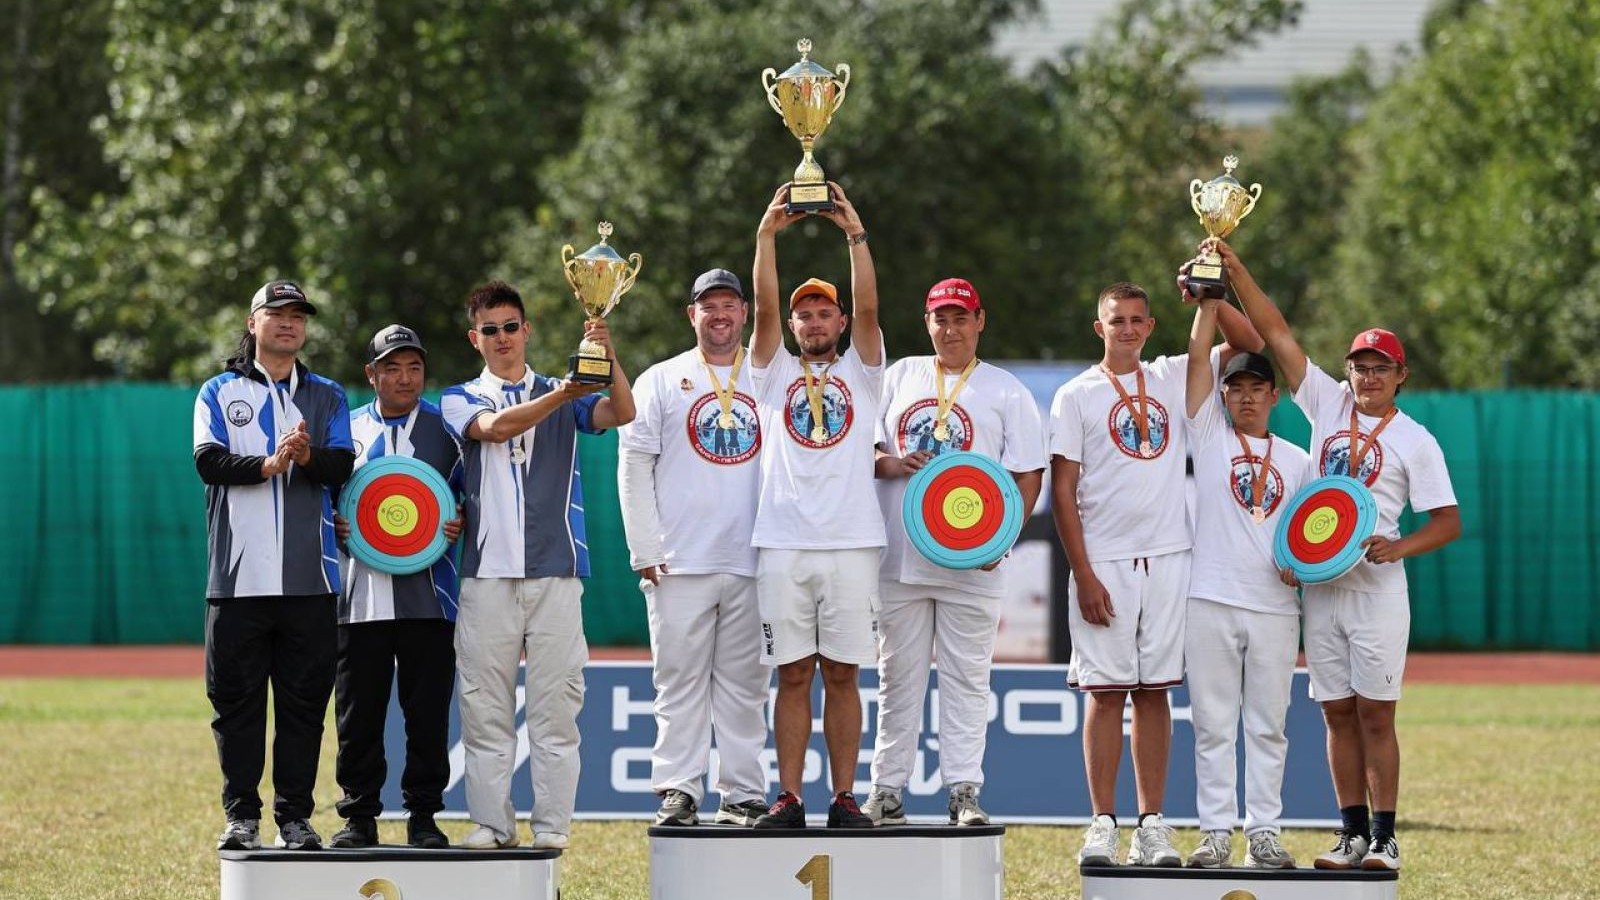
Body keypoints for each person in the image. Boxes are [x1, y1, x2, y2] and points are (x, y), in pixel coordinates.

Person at [1217, 240, 1460, 872]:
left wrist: (1397, 546)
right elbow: (1275, 331)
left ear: (1401, 375)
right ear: (1348, 371)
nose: (1368, 377)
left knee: (1376, 716)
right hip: (1321, 588)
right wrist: (1236, 269)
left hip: (1376, 589)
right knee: (1336, 714)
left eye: (1381, 368)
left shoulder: (1415, 439)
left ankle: (1384, 838)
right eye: (1360, 367)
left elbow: (1448, 522)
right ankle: (1350, 833)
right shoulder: (1328, 403)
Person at [1049, 280, 1261, 866]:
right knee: (1105, 693)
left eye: (1137, 320)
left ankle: (1152, 823)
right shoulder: (1076, 394)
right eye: (1117, 320)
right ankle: (1102, 823)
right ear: (1100, 328)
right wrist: (1083, 573)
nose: (1127, 329)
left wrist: (1212, 298)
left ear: (1150, 327)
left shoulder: (1170, 374)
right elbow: (1063, 491)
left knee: (1153, 692)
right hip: (1105, 560)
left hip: (1169, 555)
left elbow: (1251, 344)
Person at [440, 281, 637, 850]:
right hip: (486, 575)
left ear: (526, 330)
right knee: (485, 709)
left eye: (511, 326)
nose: (502, 337)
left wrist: (607, 355)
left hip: (557, 571)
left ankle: (551, 827)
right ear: (475, 338)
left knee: (556, 710)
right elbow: (495, 429)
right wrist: (566, 393)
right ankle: (492, 824)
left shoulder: (561, 390)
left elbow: (623, 411)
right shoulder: (458, 397)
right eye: (490, 329)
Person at [862, 278, 1046, 827]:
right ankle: (887, 789)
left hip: (972, 559)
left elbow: (1028, 473)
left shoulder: (1006, 390)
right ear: (927, 323)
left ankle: (964, 791)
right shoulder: (900, 376)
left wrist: (1003, 538)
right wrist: (891, 463)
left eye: (960, 318)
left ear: (979, 321)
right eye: (940, 318)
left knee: (968, 679)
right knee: (897, 679)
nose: (950, 329)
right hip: (900, 557)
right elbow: (863, 448)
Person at [193, 280, 355, 851]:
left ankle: (295, 819)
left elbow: (341, 465)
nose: (289, 323)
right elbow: (208, 461)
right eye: (277, 313)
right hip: (236, 583)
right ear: (253, 322)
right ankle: (241, 816)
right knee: (235, 706)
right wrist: (267, 464)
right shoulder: (218, 390)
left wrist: (306, 456)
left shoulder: (328, 395)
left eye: (298, 315)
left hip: (311, 582)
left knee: (303, 707)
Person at [746, 182, 883, 829]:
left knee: (844, 675)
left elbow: (872, 305)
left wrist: (855, 233)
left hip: (852, 542)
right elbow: (763, 309)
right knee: (794, 674)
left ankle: (846, 796)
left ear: (841, 322)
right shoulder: (771, 372)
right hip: (783, 542)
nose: (813, 322)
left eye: (825, 312)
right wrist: (764, 237)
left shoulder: (864, 372)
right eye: (804, 314)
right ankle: (790, 796)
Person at [617, 268, 771, 827]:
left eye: (729, 305)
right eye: (709, 306)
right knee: (677, 681)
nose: (720, 315)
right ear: (692, 315)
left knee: (747, 685)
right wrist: (643, 546)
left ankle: (743, 791)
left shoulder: (770, 374)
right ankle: (678, 789)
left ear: (746, 313)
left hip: (755, 555)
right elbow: (634, 464)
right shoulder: (660, 379)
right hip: (678, 558)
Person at [1180, 295, 1311, 868]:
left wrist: (1303, 565)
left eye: (1257, 388)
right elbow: (1196, 361)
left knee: (1268, 727)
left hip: (1275, 605)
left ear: (1274, 396)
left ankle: (1264, 833)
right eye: (1236, 389)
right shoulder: (1207, 435)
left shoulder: (1299, 460)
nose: (1247, 398)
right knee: (1211, 724)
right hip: (1209, 597)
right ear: (1223, 396)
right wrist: (1207, 300)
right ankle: (1215, 833)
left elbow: (1313, 534)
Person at [328, 325, 464, 850]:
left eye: (414, 368)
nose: (405, 378)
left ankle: (424, 817)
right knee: (357, 713)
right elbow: (325, 496)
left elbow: (472, 495)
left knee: (426, 713)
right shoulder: (346, 429)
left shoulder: (448, 429)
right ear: (372, 374)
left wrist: (461, 519)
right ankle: (358, 816)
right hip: (358, 600)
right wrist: (335, 522)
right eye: (392, 368)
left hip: (430, 599)